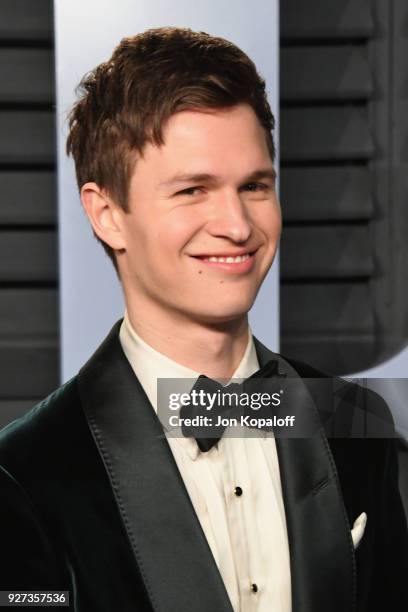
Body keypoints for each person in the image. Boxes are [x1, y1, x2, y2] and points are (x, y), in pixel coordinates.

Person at [0, 27, 406, 612]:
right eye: (193, 190)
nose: (238, 225)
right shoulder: (25, 472)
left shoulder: (351, 419)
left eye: (255, 186)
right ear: (107, 214)